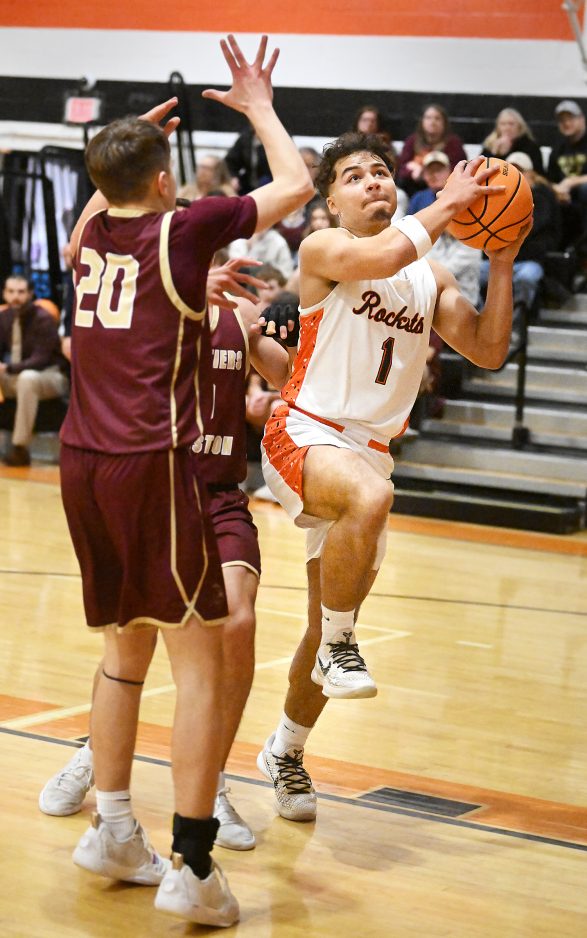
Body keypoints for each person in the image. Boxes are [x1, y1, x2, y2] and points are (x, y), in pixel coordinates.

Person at [55, 33, 313, 927]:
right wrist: (259, 107)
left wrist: (119, 150)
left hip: (79, 461)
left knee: (123, 653)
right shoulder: (185, 226)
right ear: (166, 181)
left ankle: (113, 828)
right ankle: (194, 864)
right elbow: (295, 186)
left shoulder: (86, 238)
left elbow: (104, 193)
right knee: (200, 663)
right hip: (148, 464)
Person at [255, 131, 529, 822]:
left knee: (321, 626)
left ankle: (285, 750)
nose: (372, 181)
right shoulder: (325, 249)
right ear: (330, 202)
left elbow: (488, 349)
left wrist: (500, 261)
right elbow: (383, 255)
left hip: (370, 450)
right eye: (353, 176)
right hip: (305, 429)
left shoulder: (429, 275)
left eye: (380, 170)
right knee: (370, 504)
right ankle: (342, 645)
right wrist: (452, 203)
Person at [40, 261, 293, 854]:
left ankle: (213, 783)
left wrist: (289, 338)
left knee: (238, 621)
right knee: (133, 638)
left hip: (218, 496)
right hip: (151, 489)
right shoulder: (138, 306)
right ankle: (95, 755)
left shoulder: (240, 314)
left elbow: (290, 380)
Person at [479, 151, 561, 317]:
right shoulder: (496, 195)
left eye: (520, 171)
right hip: (497, 258)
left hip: (529, 260)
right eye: (512, 171)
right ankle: (481, 317)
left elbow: (533, 230)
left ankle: (518, 320)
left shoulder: (542, 196)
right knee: (476, 272)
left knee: (526, 278)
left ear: (530, 174)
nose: (516, 176)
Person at [0, 274, 69, 466]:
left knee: (27, 378)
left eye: (21, 292)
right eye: (11, 291)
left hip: (51, 376)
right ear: (4, 294)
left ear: (30, 294)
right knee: (23, 378)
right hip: (17, 375)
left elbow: (41, 360)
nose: (15, 297)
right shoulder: (3, 317)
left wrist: (7, 367)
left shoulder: (43, 318)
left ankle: (20, 448)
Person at [397, 103, 467, 196]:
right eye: (428, 118)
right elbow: (401, 169)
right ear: (422, 121)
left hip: (446, 186)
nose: (432, 122)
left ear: (444, 123)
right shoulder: (412, 140)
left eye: (437, 118)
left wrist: (434, 173)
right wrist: (412, 170)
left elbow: (461, 169)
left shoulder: (453, 142)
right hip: (416, 186)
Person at [547, 99, 587, 255]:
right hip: (566, 201)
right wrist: (557, 191)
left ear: (582, 119)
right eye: (562, 120)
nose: (566, 123)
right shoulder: (558, 148)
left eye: (570, 118)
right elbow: (550, 180)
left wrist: (571, 181)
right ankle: (555, 255)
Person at [480, 107, 544, 173]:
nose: (507, 128)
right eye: (503, 124)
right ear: (498, 127)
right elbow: (480, 168)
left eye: (511, 124)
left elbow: (539, 173)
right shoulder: (490, 145)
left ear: (519, 126)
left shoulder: (530, 146)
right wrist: (495, 152)